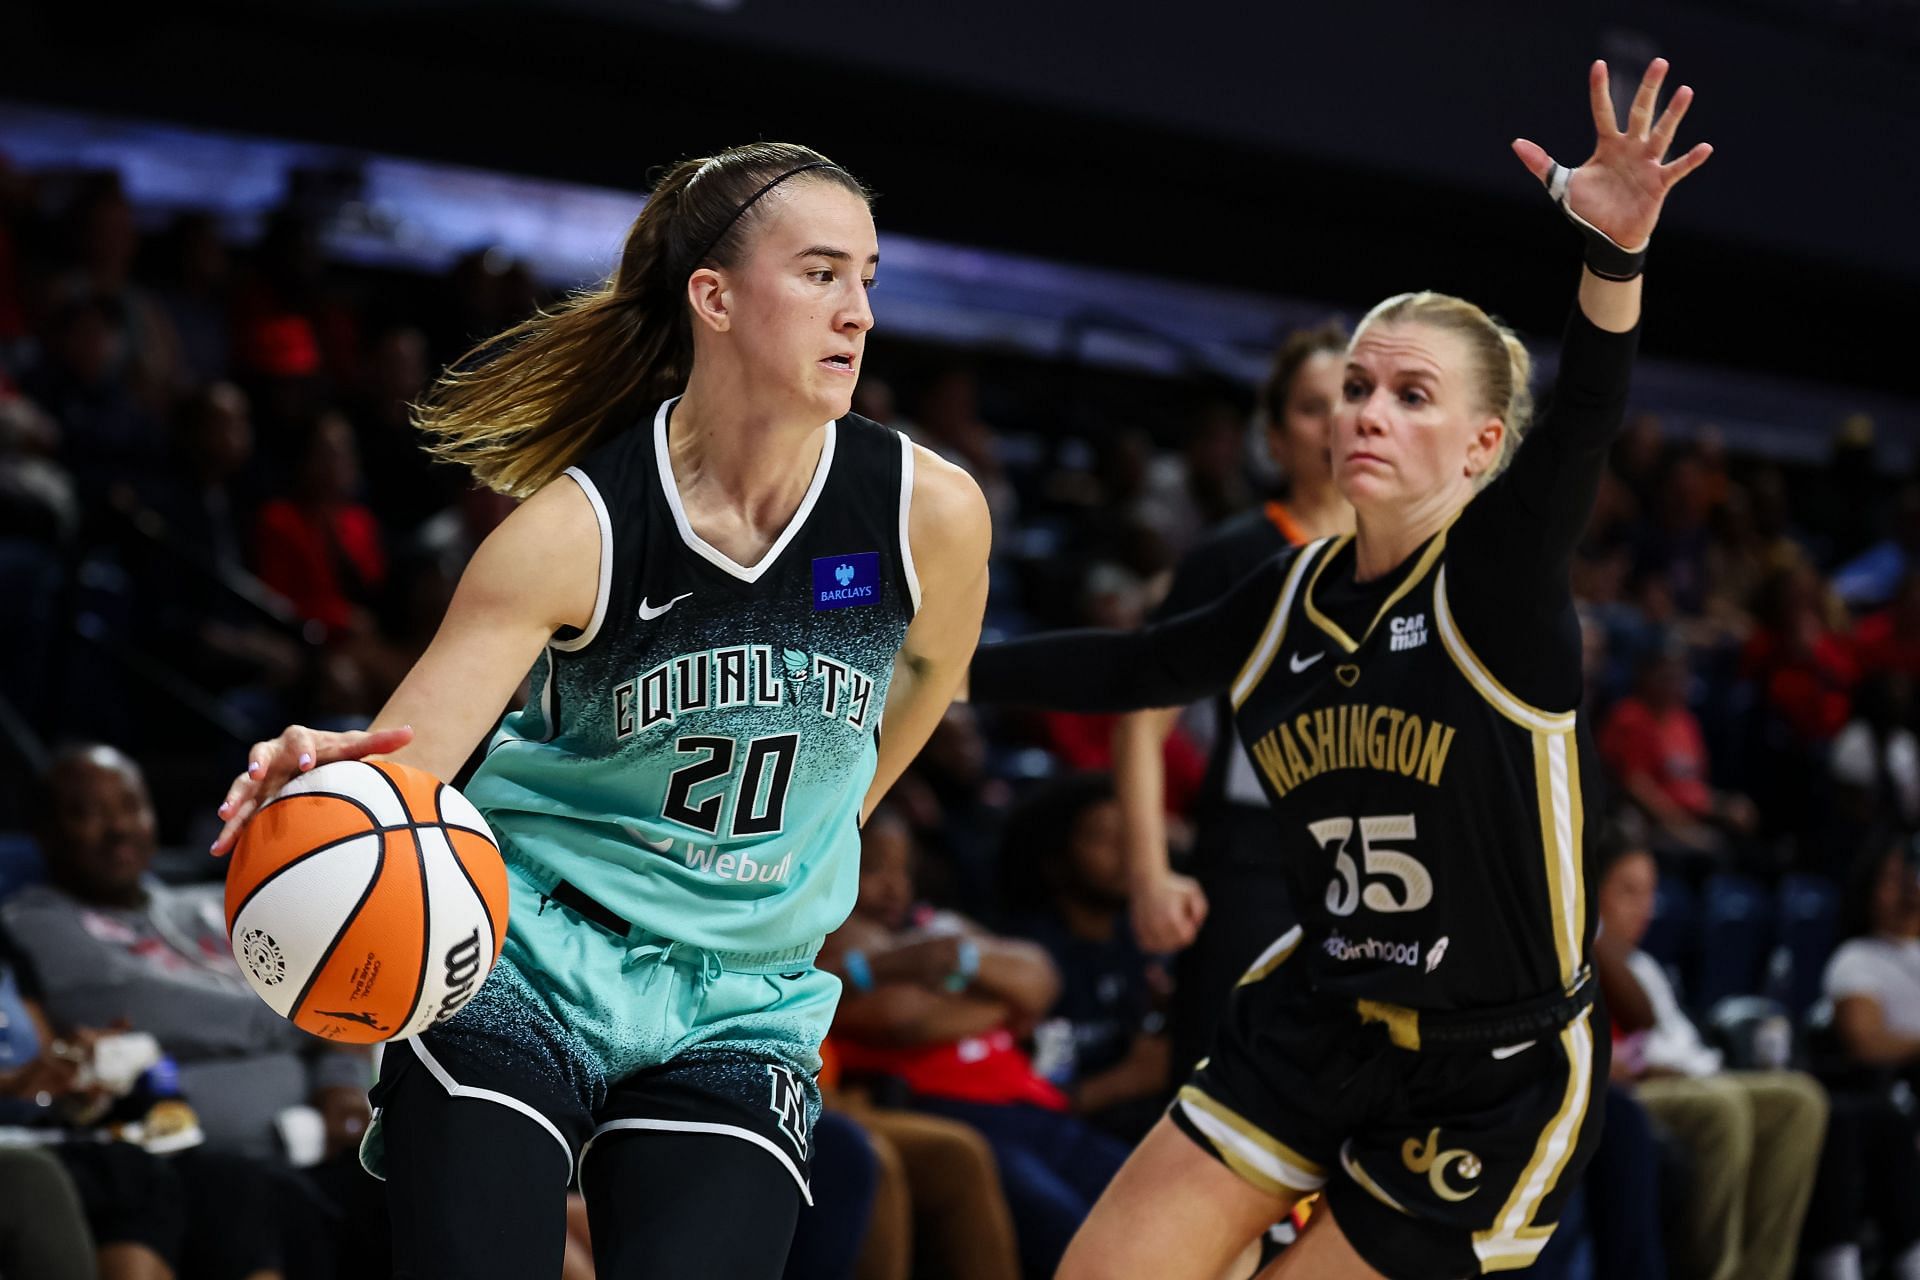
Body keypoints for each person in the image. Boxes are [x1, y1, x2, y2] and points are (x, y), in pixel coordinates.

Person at [967, 59, 1713, 1277]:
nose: (1366, 410)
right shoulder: (1287, 591)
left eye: (1411, 395)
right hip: (1319, 1014)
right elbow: (1140, 663)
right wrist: (947, 671)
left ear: (1482, 445)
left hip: (1491, 1067)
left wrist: (1614, 260)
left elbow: (1584, 414)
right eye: (1356, 387)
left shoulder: (1499, 586)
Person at [210, 142, 993, 1280]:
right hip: (527, 953)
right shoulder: (576, 529)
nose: (860, 312)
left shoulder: (929, 512)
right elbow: (404, 762)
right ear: (713, 298)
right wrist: (329, 775)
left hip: (745, 996)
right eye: (821, 273)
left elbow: (927, 678)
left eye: (868, 277)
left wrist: (842, 809)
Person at [1111, 319, 1352, 1082]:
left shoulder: (1423, 561)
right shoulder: (1233, 557)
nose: (1340, 422)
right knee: (1223, 1099)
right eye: (1314, 407)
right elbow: (1140, 724)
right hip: (1254, 861)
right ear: (1273, 441)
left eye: (1354, 398)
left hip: (1381, 868)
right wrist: (1149, 872)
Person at [825, 805, 1129, 1279]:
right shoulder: (833, 940)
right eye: (874, 869)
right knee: (1084, 1243)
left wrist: (954, 964)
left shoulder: (933, 923)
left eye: (904, 870)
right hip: (956, 1111)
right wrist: (998, 1004)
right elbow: (900, 1018)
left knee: (1155, 1204)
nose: (895, 887)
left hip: (1038, 1110)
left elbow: (1040, 978)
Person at [1594, 833, 1826, 1280]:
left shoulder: (1642, 964)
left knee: (1799, 1100)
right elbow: (1637, 1035)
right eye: (1628, 891)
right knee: (1722, 1108)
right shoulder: (1572, 951)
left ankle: (1761, 1271)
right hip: (1629, 1092)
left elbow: (1670, 1040)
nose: (1645, 907)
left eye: (1649, 892)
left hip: (1688, 1074)